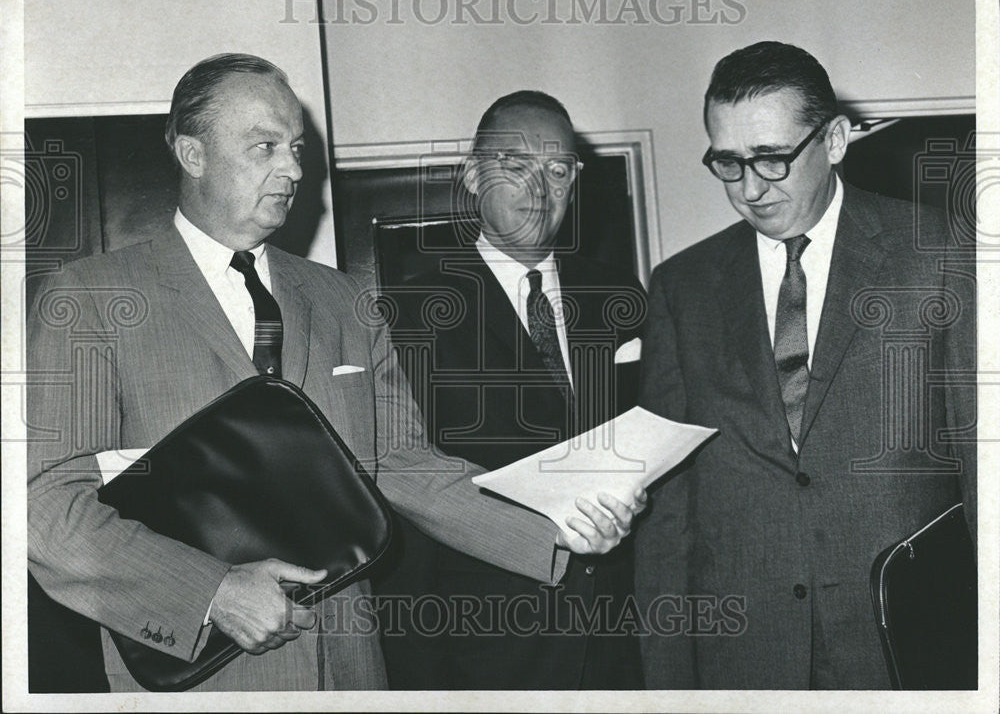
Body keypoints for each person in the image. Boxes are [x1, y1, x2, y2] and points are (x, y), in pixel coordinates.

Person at [26, 55, 646, 692]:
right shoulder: (90, 298)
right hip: (197, 672)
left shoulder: (345, 301)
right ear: (192, 153)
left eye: (296, 148)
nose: (294, 169)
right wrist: (212, 593)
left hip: (349, 669)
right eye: (265, 147)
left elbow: (403, 466)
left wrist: (557, 531)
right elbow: (44, 506)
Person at [635, 41, 976, 690]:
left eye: (772, 158)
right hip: (743, 656)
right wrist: (669, 686)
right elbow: (668, 516)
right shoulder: (683, 287)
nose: (750, 187)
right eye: (728, 163)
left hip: (905, 646)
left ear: (837, 138)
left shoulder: (937, 255)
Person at [375, 91, 647, 690]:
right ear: (473, 175)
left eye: (558, 169)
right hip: (487, 646)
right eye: (517, 166)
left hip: (623, 640)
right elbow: (409, 487)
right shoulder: (408, 312)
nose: (540, 189)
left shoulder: (620, 296)